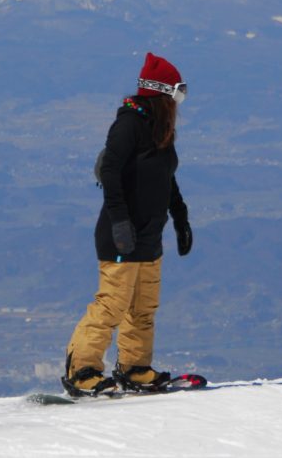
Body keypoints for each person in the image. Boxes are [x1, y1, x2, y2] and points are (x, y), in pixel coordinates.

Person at [62, 52, 193, 397]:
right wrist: (119, 220)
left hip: (150, 235)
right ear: (161, 94)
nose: (179, 102)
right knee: (112, 304)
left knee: (143, 307)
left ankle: (135, 367)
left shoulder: (159, 129)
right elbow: (111, 171)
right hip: (122, 235)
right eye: (177, 94)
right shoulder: (129, 124)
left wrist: (180, 217)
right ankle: (82, 370)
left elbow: (167, 178)